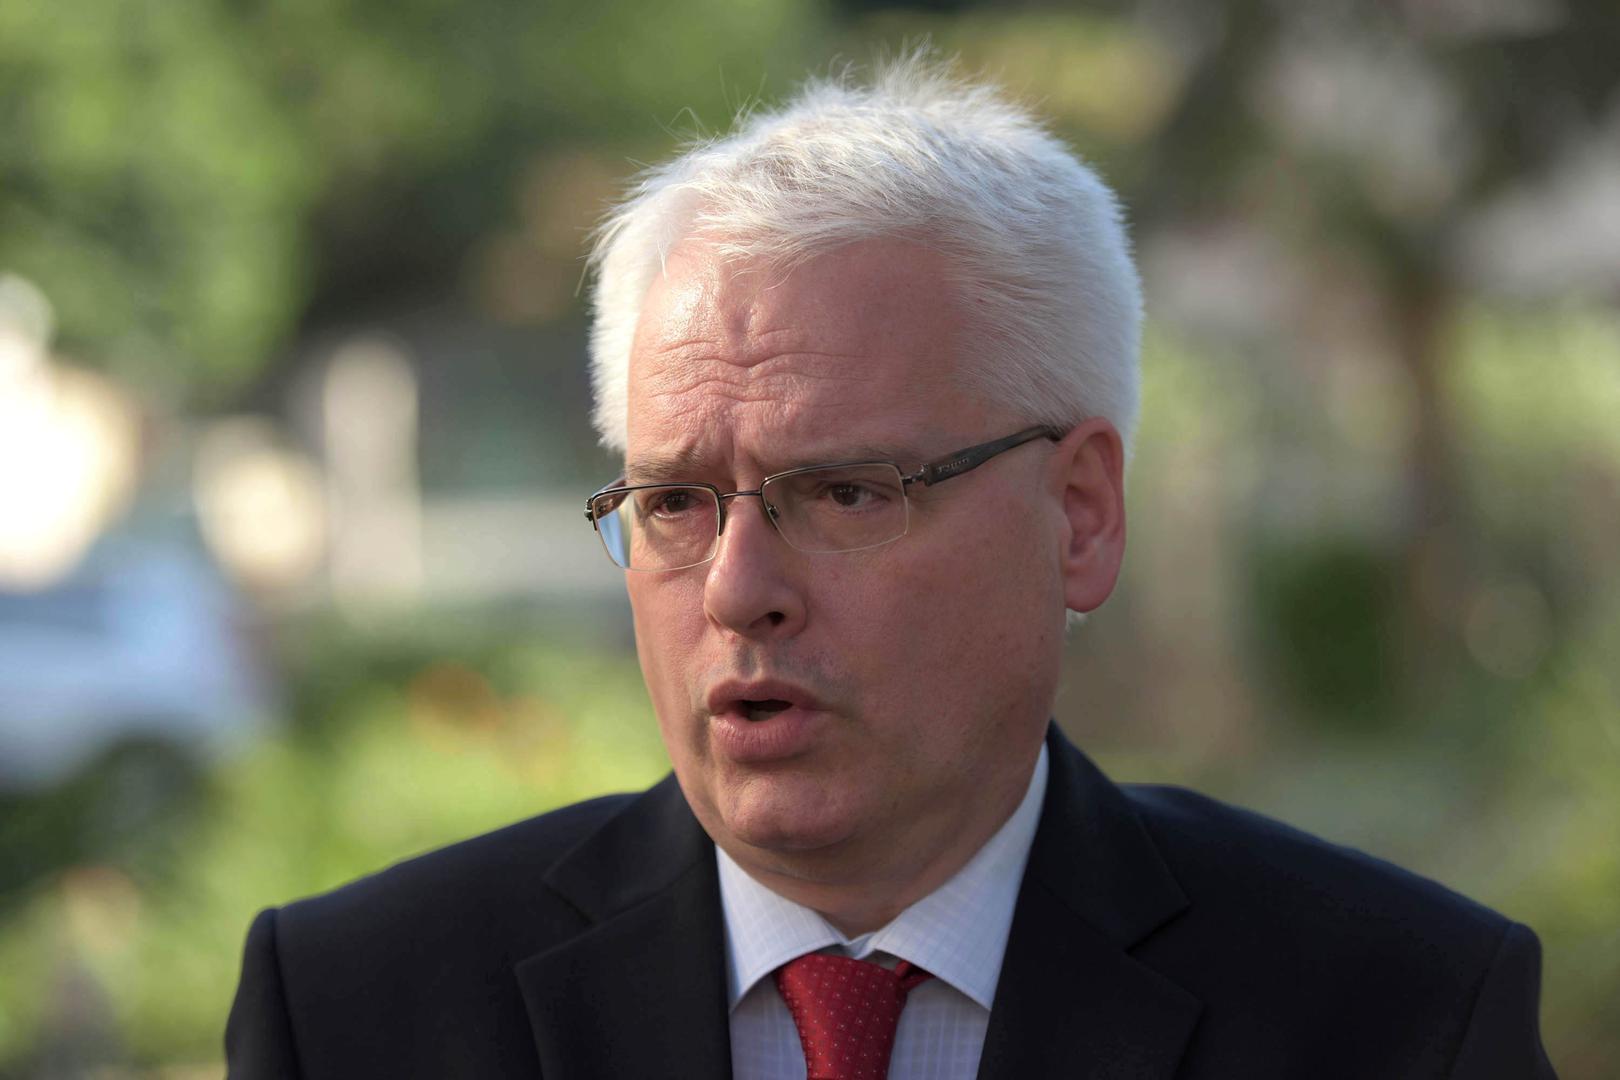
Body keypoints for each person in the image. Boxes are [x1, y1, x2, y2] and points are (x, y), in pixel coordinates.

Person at [225, 57, 1556, 1079]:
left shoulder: (1401, 1017)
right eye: (675, 501)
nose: (737, 589)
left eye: (845, 491)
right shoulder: (355, 1011)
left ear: (1080, 515)